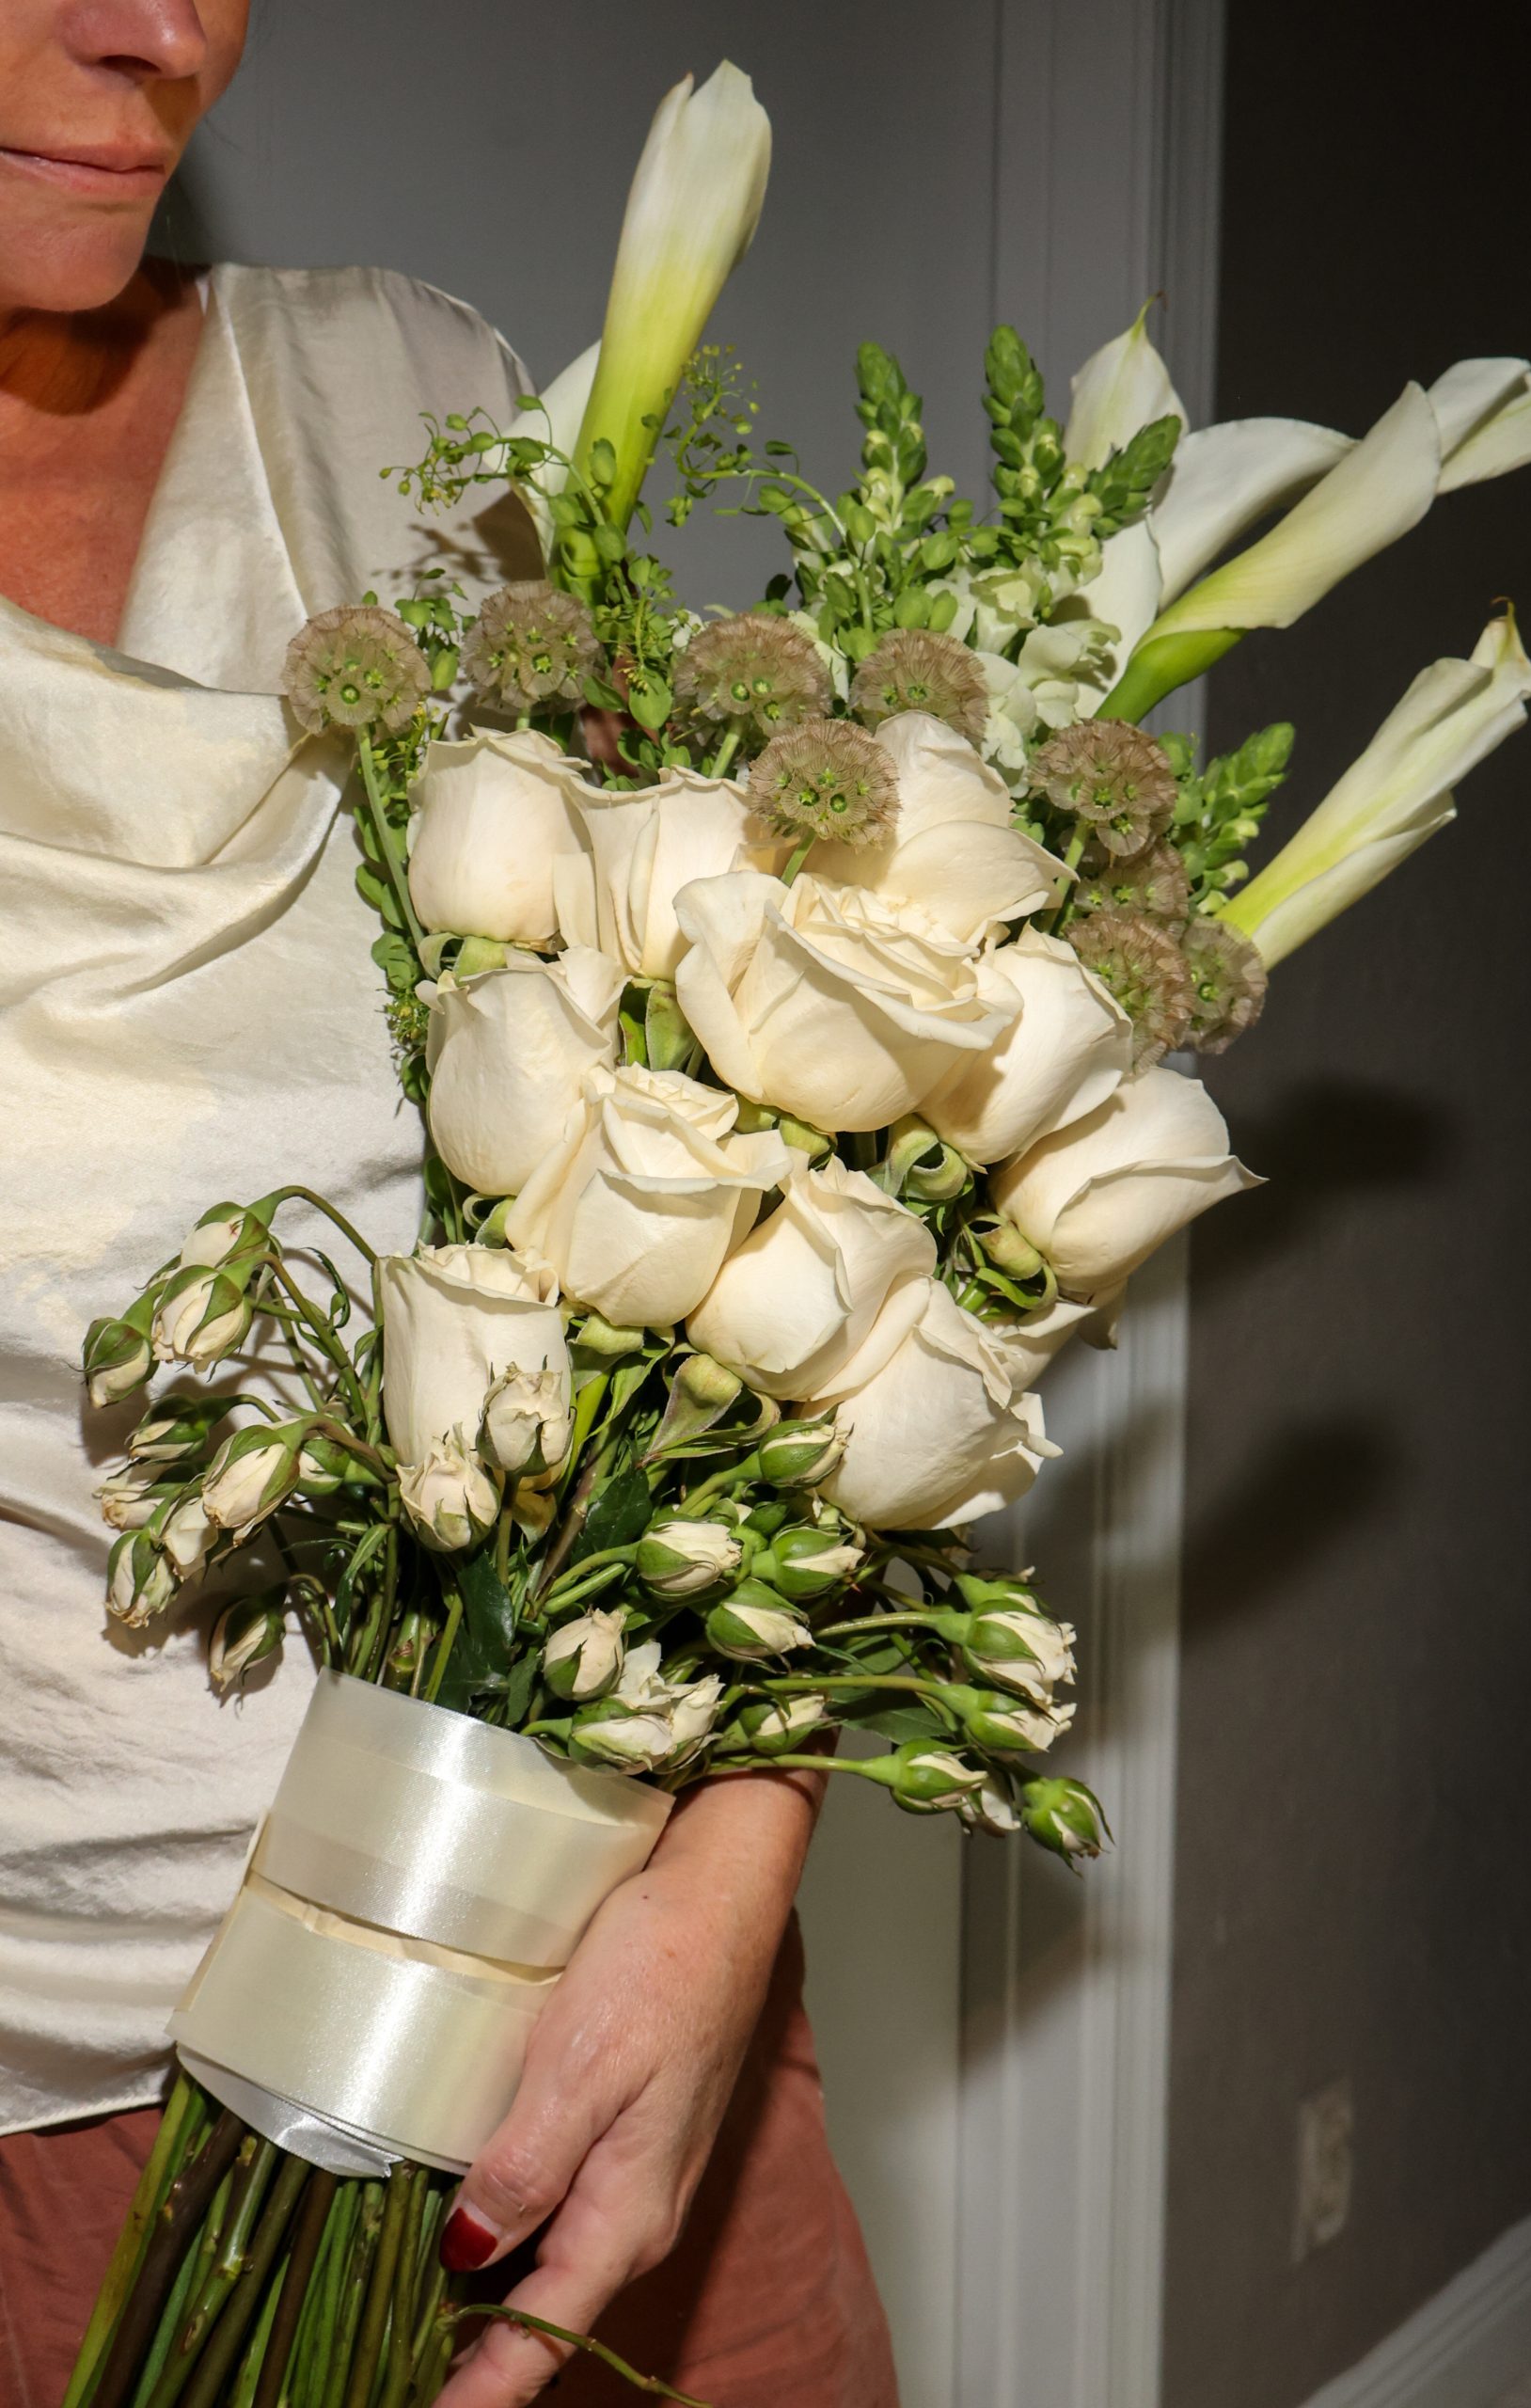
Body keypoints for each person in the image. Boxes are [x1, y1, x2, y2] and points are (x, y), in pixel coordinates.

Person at [0, 8, 897, 2405]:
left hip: (597, 2033)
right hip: (53, 2156)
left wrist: (728, 1875)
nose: (163, 28)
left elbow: (757, 1194)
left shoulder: (407, 405)